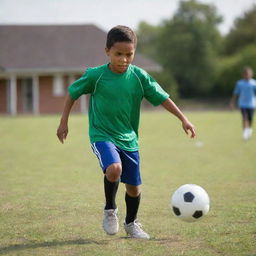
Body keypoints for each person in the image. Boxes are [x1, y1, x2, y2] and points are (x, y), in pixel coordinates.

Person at [57, 25, 196, 239]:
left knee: (134, 188)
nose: (123, 59)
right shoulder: (96, 76)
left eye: (129, 54)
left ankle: (131, 224)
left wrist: (183, 118)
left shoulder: (139, 76)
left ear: (134, 53)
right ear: (107, 52)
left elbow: (163, 98)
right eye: (118, 54)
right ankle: (110, 210)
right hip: (102, 134)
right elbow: (72, 93)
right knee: (114, 169)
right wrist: (63, 122)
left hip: (129, 138)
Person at [230, 66, 256, 140]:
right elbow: (235, 94)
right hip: (243, 104)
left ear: (251, 74)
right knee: (244, 118)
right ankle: (245, 132)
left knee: (250, 119)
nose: (247, 75)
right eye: (246, 74)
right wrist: (232, 103)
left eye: (248, 74)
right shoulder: (240, 83)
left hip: (252, 104)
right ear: (243, 75)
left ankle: (249, 130)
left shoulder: (254, 83)